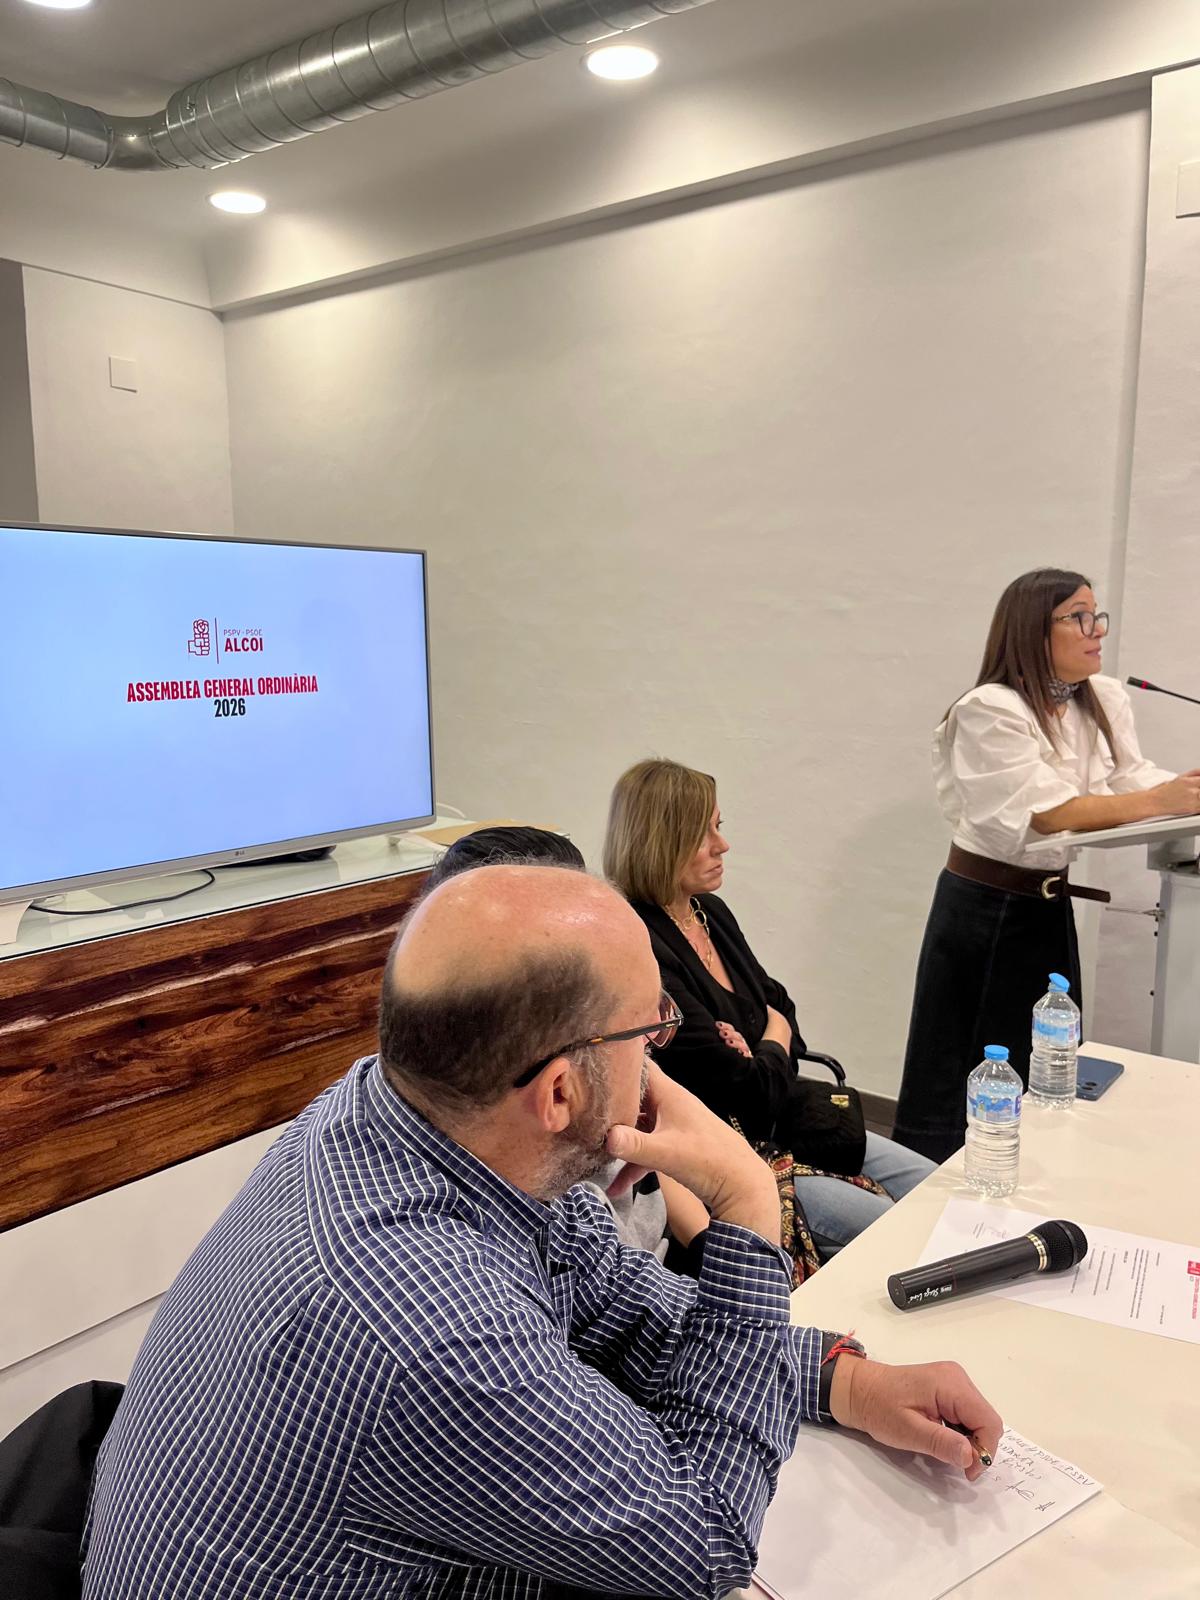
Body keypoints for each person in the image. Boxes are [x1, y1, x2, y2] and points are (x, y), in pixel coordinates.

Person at [82, 865, 1001, 1600]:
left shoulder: (415, 1114)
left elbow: (620, 1306)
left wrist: (846, 1382)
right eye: (650, 1031)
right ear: (559, 1092)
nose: (661, 1055)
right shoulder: (426, 1321)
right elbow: (703, 1544)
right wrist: (748, 1208)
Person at [893, 567, 1200, 1163]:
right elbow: (1048, 813)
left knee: (1047, 1059)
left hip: (1047, 905)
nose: (1097, 630)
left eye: (1097, 615)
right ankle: (927, 1180)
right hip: (984, 909)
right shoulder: (990, 709)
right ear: (1034, 630)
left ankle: (1033, 1172)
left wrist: (1184, 792)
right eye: (1079, 617)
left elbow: (1130, 779)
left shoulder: (1102, 697)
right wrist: (1163, 800)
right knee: (962, 1060)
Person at [602, 760, 935, 1265]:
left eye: (719, 826)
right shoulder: (640, 942)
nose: (723, 845)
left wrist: (764, 1044)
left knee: (936, 1187)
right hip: (737, 1152)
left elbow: (781, 1008)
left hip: (789, 1119)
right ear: (661, 842)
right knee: (900, 1232)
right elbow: (750, 1091)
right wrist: (771, 1038)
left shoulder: (707, 913)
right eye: (704, 834)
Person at [426, 825, 710, 1270]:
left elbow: (658, 1150)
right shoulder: (532, 1146)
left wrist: (711, 1233)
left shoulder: (600, 1043)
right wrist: (743, 1193)